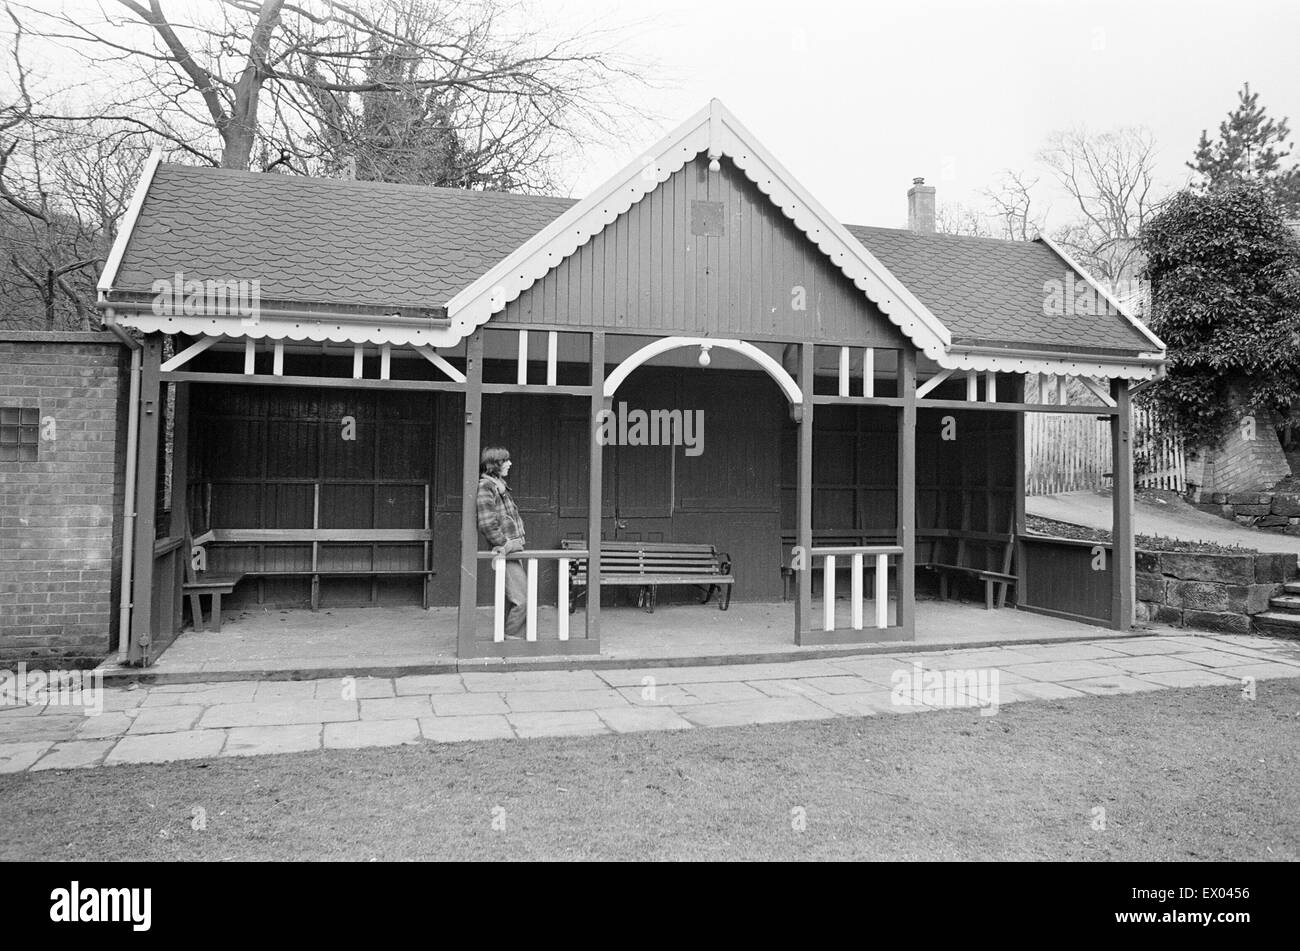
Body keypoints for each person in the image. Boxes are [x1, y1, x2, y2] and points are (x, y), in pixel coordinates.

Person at [476, 446, 527, 638]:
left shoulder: (498, 485)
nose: (510, 464)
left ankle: (511, 638)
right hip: (506, 549)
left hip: (513, 548)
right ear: (494, 464)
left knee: (515, 598)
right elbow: (487, 524)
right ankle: (512, 640)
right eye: (506, 460)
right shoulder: (486, 487)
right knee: (523, 599)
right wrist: (506, 544)